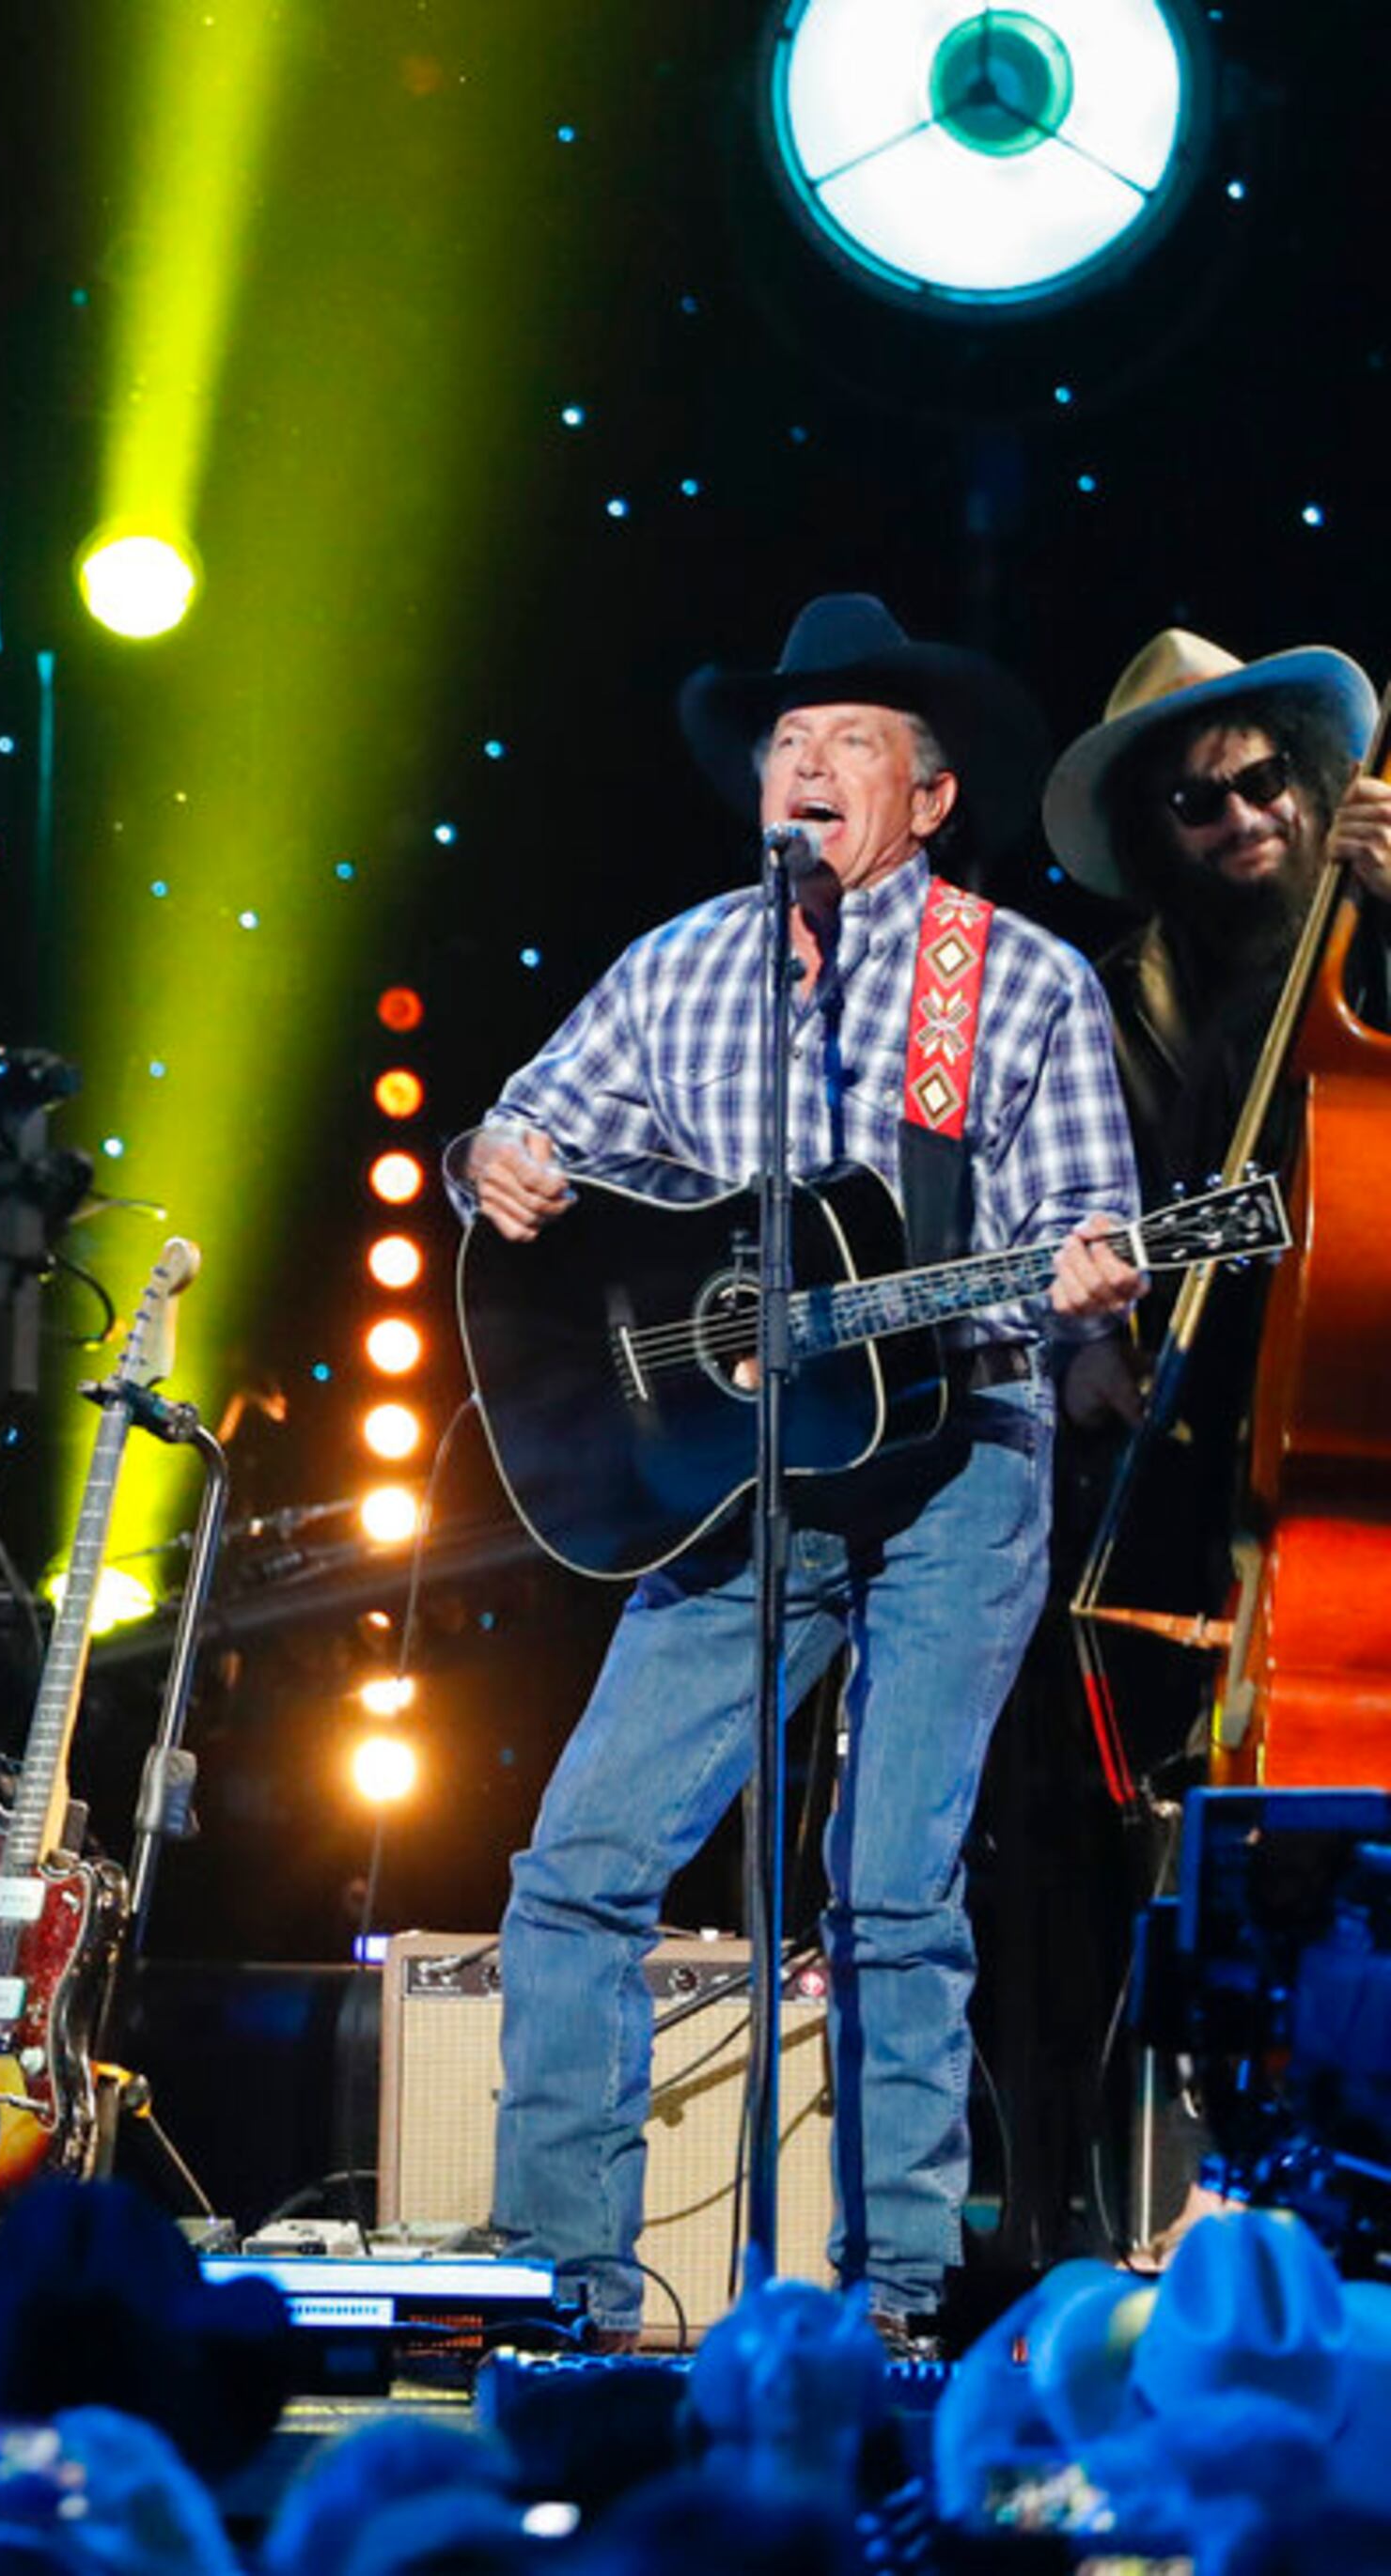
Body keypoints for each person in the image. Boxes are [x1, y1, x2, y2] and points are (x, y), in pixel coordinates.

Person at [449, 593, 1149, 2351]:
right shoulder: (683, 964)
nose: (808, 765)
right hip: (739, 1476)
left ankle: (893, 2300)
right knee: (578, 1868)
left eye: (850, 741)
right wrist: (492, 1164)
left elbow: (1085, 1222)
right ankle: (564, 2283)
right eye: (786, 741)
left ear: (930, 795)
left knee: (889, 1887)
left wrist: (1088, 1278)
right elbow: (530, 1135)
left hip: (957, 1461)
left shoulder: (1018, 980)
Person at [1039, 631, 1391, 1201]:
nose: (1244, 821)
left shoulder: (1376, 918)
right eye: (1197, 803)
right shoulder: (1110, 1010)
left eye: (1262, 781)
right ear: (1153, 836)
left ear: (1305, 779)